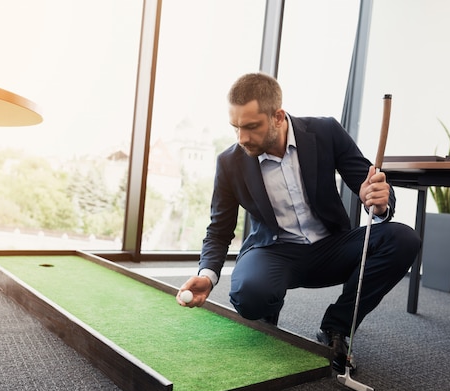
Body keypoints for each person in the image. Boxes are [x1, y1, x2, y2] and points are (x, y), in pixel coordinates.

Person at [175, 72, 421, 374]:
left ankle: (337, 328)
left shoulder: (326, 131)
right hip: (275, 251)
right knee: (250, 295)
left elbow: (368, 185)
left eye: (251, 127)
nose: (242, 138)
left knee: (403, 239)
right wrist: (208, 275)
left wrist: (379, 201)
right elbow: (219, 229)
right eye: (236, 127)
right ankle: (269, 305)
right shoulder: (230, 162)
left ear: (278, 116)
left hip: (332, 246)